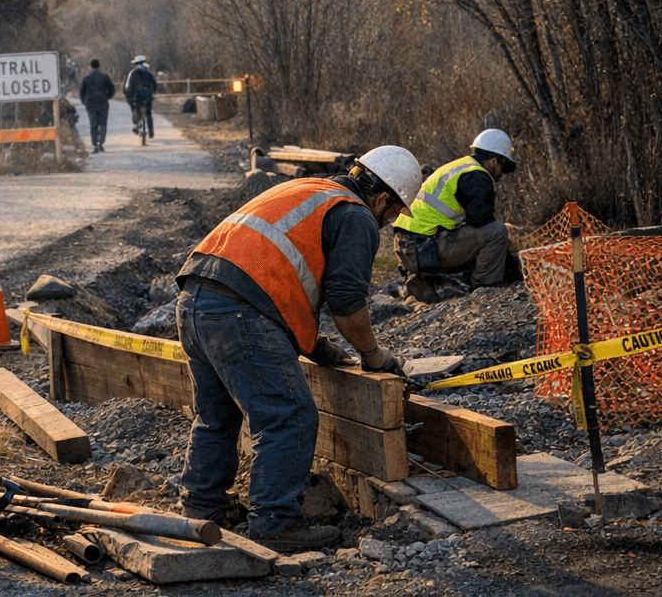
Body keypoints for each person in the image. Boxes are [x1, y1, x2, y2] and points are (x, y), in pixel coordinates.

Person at [175, 145, 423, 551]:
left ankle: (203, 509)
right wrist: (373, 356)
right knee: (289, 415)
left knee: (216, 415)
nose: (390, 220)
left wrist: (316, 345)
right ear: (382, 199)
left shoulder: (309, 189)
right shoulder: (356, 215)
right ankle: (276, 523)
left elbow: (271, 272)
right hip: (239, 312)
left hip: (194, 299)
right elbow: (346, 302)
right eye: (394, 213)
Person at [392, 129, 521, 303]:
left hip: (405, 246)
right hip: (421, 247)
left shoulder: (458, 167)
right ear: (494, 161)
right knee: (497, 231)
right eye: (502, 168)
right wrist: (513, 264)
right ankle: (484, 287)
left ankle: (421, 282)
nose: (500, 174)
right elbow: (483, 225)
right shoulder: (478, 176)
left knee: (487, 235)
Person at [78, 58, 115, 152]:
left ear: (90, 66)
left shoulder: (86, 78)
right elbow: (112, 89)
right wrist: (107, 97)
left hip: (90, 104)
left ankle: (94, 144)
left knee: (93, 124)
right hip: (102, 102)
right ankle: (101, 143)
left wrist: (84, 102)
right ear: (99, 66)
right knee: (102, 123)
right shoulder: (105, 76)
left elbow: (82, 92)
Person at [124, 55, 157, 139]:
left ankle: (138, 125)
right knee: (148, 114)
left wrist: (129, 97)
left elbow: (129, 86)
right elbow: (154, 85)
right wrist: (152, 93)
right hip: (148, 96)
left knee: (136, 110)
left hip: (137, 96)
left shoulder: (133, 73)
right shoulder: (148, 73)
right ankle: (151, 132)